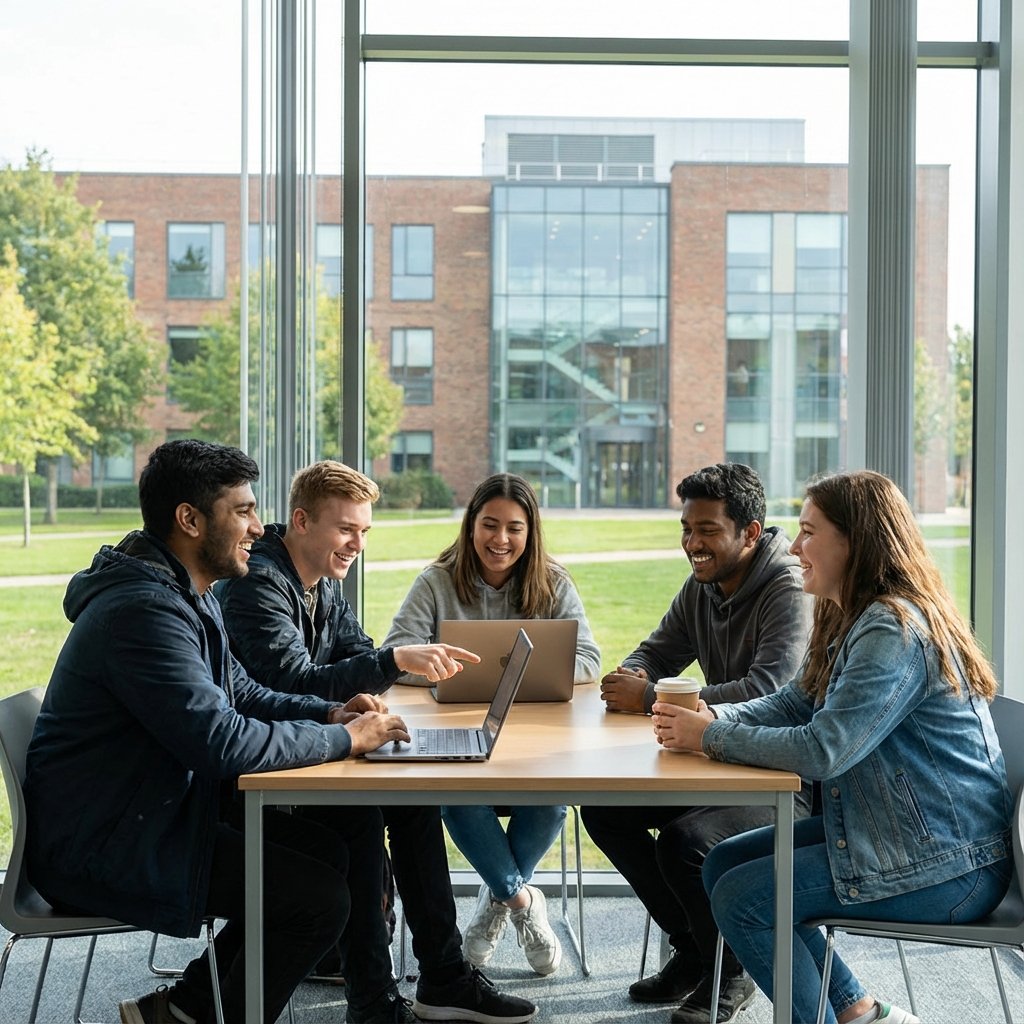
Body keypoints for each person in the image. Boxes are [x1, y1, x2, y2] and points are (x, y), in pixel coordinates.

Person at [23, 440, 417, 1024]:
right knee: (314, 899)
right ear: (189, 519)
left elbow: (245, 694)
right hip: (109, 845)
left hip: (153, 812)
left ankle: (189, 1008)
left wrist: (328, 715)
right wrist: (348, 741)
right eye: (243, 511)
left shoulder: (186, 593)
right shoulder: (144, 614)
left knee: (331, 850)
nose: (260, 528)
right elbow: (222, 742)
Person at [658, 470, 1013, 1024]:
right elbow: (795, 703)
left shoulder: (893, 630)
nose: (794, 547)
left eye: (807, 532)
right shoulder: (849, 613)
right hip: (893, 834)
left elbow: (825, 750)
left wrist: (712, 737)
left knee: (744, 899)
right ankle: (857, 1010)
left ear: (855, 542)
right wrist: (712, 715)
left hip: (948, 864)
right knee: (723, 864)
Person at [216, 460, 537, 1024]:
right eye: (346, 530)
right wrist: (391, 661)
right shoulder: (258, 586)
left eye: (364, 532)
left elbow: (352, 650)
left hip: (305, 744)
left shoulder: (319, 584)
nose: (356, 543)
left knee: (414, 802)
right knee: (358, 816)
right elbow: (291, 679)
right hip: (258, 770)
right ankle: (373, 1004)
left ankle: (443, 978)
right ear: (301, 521)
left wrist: (378, 678)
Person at [581, 462, 813, 1024]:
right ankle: (696, 951)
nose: (692, 543)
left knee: (685, 842)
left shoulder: (788, 588)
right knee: (605, 810)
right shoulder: (704, 584)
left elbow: (768, 689)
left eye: (707, 530)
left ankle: (731, 970)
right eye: (687, 528)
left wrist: (651, 695)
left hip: (785, 776)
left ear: (749, 533)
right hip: (717, 761)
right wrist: (629, 675)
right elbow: (655, 651)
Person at [383, 472, 601, 977]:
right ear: (471, 525)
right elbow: (396, 654)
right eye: (489, 525)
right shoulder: (436, 581)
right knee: (457, 795)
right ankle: (521, 900)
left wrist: (519, 678)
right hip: (459, 733)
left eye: (514, 528)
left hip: (535, 740)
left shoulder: (554, 581)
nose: (500, 540)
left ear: (530, 533)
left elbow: (589, 658)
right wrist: (441, 677)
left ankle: (498, 899)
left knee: (551, 801)